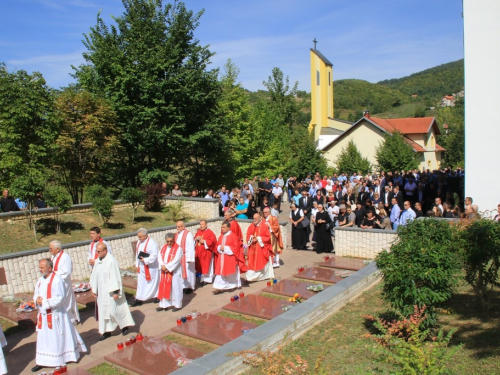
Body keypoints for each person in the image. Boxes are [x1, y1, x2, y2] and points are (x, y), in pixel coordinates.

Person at [31, 259, 87, 373]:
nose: (40, 269)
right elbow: (36, 293)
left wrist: (44, 302)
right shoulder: (40, 280)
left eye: (42, 267)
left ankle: (59, 360)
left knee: (56, 339)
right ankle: (42, 361)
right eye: (40, 267)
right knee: (43, 339)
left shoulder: (57, 280)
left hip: (55, 315)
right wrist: (37, 299)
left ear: (50, 268)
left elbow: (60, 298)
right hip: (43, 316)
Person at [90, 243, 134, 340]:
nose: (97, 253)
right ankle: (106, 331)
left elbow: (115, 276)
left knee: (116, 310)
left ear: (105, 251)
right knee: (104, 311)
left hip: (111, 292)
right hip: (102, 292)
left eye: (99, 251)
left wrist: (115, 292)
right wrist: (94, 288)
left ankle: (124, 325)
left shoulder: (111, 261)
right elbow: (94, 276)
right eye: (96, 251)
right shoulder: (98, 262)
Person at [49, 240, 80, 324]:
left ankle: (72, 319)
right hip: (56, 283)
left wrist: (54, 274)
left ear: (57, 249)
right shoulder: (53, 257)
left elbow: (67, 271)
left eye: (51, 248)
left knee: (67, 301)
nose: (49, 250)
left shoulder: (65, 257)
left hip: (64, 283)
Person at [213, 221, 247, 294]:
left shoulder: (233, 236)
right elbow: (217, 245)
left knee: (230, 274)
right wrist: (219, 247)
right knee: (220, 273)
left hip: (230, 258)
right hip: (222, 257)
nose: (222, 229)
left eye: (224, 227)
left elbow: (236, 248)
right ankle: (219, 287)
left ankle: (232, 286)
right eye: (221, 227)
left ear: (228, 228)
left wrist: (225, 248)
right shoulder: (221, 236)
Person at [132, 228, 160, 306]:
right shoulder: (139, 242)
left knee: (152, 283)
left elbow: (155, 255)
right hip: (141, 267)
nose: (139, 238)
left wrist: (146, 259)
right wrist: (137, 264)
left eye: (140, 237)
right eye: (138, 236)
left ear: (145, 235)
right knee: (141, 283)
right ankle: (139, 298)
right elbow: (138, 254)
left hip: (151, 267)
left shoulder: (152, 243)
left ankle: (157, 296)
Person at [156, 233, 183, 311]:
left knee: (175, 288)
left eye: (171, 241)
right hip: (164, 271)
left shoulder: (178, 248)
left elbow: (176, 260)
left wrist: (167, 267)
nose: (169, 243)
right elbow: (159, 257)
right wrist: (162, 266)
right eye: (167, 241)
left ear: (174, 240)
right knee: (164, 286)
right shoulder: (163, 247)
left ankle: (177, 305)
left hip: (174, 272)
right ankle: (164, 304)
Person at [246, 213, 274, 282]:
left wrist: (258, 238)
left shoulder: (264, 226)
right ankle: (250, 277)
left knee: (260, 262)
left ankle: (262, 276)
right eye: (253, 218)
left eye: (256, 219)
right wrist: (251, 238)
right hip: (253, 248)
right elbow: (248, 235)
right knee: (251, 262)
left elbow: (268, 238)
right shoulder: (251, 226)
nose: (254, 220)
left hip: (261, 249)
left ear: (260, 218)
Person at [175, 221, 196, 293]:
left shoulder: (188, 234)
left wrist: (190, 258)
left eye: (179, 226)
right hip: (179, 256)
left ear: (183, 226)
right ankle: (184, 286)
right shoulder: (177, 235)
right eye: (177, 226)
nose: (177, 228)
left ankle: (190, 286)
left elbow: (191, 246)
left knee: (188, 271)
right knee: (181, 272)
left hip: (186, 256)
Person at [194, 220, 217, 286]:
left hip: (207, 252)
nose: (201, 226)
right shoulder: (199, 232)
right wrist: (196, 238)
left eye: (203, 224)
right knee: (201, 266)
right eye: (200, 224)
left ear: (206, 225)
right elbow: (194, 238)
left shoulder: (210, 232)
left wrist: (204, 241)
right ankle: (202, 278)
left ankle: (208, 279)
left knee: (207, 266)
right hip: (200, 253)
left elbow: (213, 241)